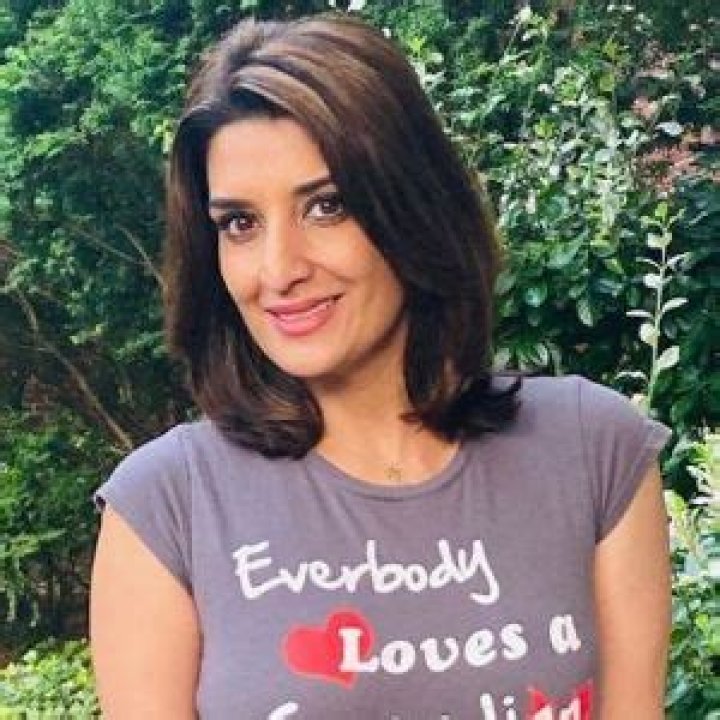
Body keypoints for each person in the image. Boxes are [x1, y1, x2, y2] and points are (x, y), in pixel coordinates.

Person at [89, 14, 672, 720]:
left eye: (326, 206)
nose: (278, 270)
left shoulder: (593, 451)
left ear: (413, 208)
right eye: (240, 223)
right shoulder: (168, 505)